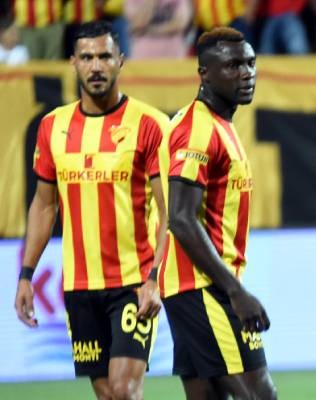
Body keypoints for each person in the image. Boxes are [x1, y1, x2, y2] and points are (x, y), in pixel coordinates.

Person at [14, 20, 168, 400]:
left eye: (104, 56)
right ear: (73, 63)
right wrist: (26, 274)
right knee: (107, 395)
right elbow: (44, 204)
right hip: (79, 287)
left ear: (121, 61)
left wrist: (155, 277)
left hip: (132, 282)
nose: (95, 66)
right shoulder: (53, 127)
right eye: (86, 58)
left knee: (124, 390)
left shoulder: (150, 124)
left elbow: (169, 213)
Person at [158, 27, 276, 400]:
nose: (246, 73)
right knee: (258, 395)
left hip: (197, 285)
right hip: (202, 287)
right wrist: (236, 291)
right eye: (233, 65)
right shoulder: (197, 128)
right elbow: (181, 217)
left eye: (250, 63)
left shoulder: (220, 124)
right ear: (204, 74)